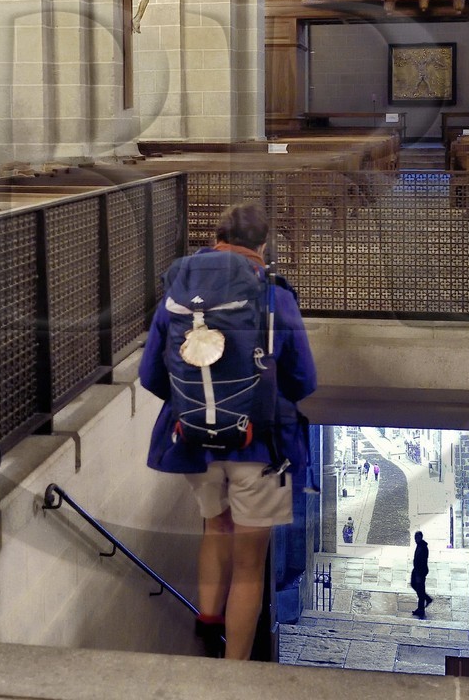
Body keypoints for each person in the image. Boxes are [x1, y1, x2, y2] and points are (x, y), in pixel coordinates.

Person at [139, 202, 317, 660]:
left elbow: (151, 374)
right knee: (250, 565)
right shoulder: (274, 295)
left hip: (194, 441)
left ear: (216, 237)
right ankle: (233, 672)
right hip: (259, 445)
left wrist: (196, 407)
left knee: (215, 528)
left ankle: (207, 625)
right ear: (262, 246)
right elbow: (303, 379)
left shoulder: (178, 293)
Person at [410, 530, 433, 618]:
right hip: (416, 570)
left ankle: (421, 609)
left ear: (421, 537)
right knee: (414, 585)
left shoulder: (423, 548)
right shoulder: (419, 545)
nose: (416, 539)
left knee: (420, 590)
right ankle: (427, 599)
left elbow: (423, 562)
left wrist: (419, 575)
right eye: (415, 538)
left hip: (420, 572)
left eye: (417, 537)